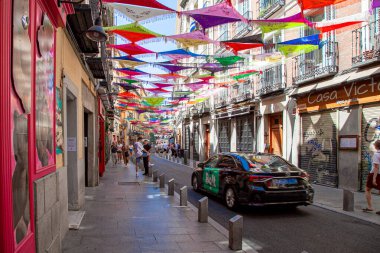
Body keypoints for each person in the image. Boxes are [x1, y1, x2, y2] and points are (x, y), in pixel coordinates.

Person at [363, 140, 380, 214]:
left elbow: (376, 167)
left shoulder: (376, 154)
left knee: (367, 189)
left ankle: (370, 207)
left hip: (375, 174)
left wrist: (374, 179)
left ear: (376, 146)